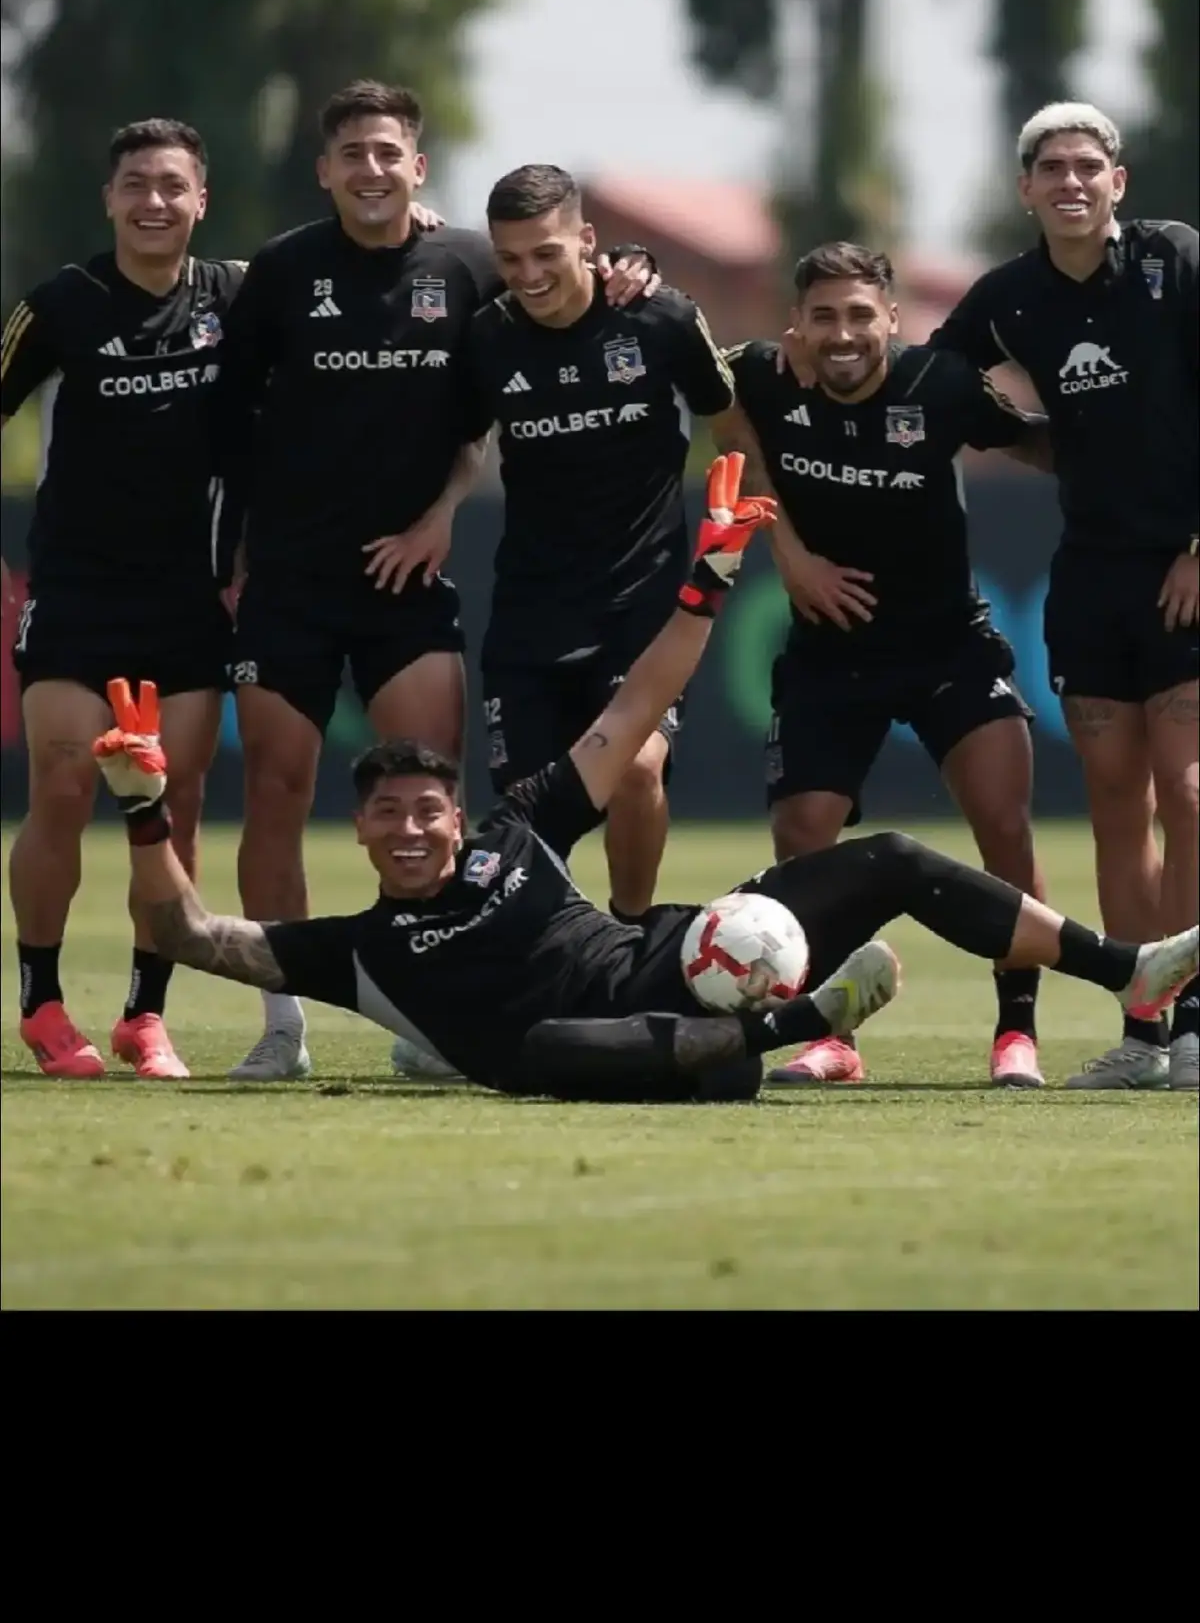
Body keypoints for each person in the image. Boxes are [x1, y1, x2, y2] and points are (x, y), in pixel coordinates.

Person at [90, 457, 1199, 1101]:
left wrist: (708, 580)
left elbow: (632, 707)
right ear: (366, 836)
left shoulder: (515, 833)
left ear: (456, 811)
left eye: (429, 808)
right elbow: (189, 931)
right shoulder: (354, 950)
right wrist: (146, 810)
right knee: (540, 1056)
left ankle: (1128, 970)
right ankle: (799, 1024)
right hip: (613, 1047)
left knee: (893, 859)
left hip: (684, 951)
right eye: (391, 816)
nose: (415, 829)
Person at [208, 81, 656, 1083]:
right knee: (275, 791)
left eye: (389, 152)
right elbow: (230, 427)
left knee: (429, 799)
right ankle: (281, 1028)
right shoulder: (281, 272)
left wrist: (440, 516)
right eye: (352, 153)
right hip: (288, 580)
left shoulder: (467, 264)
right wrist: (234, 550)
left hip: (409, 584)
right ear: (325, 170)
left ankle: (439, 1018)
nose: (371, 168)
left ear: (419, 165)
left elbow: (552, 315)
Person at [713, 241, 1056, 1089]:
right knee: (802, 837)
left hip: (947, 643)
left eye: (860, 315)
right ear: (797, 324)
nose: (842, 334)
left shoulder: (937, 385)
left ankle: (1018, 1032)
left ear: (891, 321)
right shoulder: (759, 374)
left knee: (1003, 820)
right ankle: (833, 1032)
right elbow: (718, 409)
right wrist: (785, 550)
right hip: (833, 655)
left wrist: (1140, 441)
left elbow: (1041, 446)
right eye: (822, 316)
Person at [930, 103, 1198, 1091]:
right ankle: (1147, 1029)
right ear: (1027, 188)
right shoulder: (1008, 297)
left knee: (1193, 792)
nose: (1073, 181)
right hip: (1090, 573)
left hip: (1188, 567)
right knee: (1117, 810)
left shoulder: (1176, 261)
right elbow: (937, 381)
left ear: (1118, 182)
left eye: (1091, 165)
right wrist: (1032, 436)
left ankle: (1199, 1014)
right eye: (1054, 168)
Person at [0, 117, 243, 1080]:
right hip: (74, 593)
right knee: (62, 786)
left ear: (200, 201)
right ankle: (42, 1002)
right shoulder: (63, 304)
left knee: (170, 808)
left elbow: (343, 289)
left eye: (171, 185)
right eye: (135, 183)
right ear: (109, 200)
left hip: (186, 599)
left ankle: (148, 1016)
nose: (153, 201)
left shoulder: (235, 295)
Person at [456, 161, 734, 926]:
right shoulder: (486, 338)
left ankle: (631, 935)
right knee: (529, 816)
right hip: (529, 615)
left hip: (639, 614)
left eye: (546, 253)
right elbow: (461, 441)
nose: (530, 274)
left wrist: (735, 515)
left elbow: (732, 420)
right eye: (510, 260)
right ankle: (535, 967)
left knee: (639, 770)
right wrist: (431, 517)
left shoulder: (660, 321)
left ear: (586, 240)